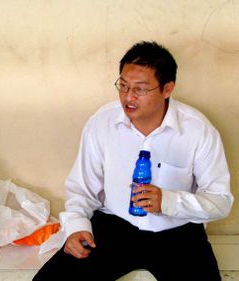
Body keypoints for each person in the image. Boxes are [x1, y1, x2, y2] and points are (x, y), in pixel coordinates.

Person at [33, 41, 233, 281]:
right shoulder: (102, 123)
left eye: (140, 89)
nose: (128, 97)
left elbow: (220, 202)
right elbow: (81, 190)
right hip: (115, 228)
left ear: (167, 89)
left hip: (178, 233)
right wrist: (76, 228)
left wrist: (169, 201)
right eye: (123, 86)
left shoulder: (198, 130)